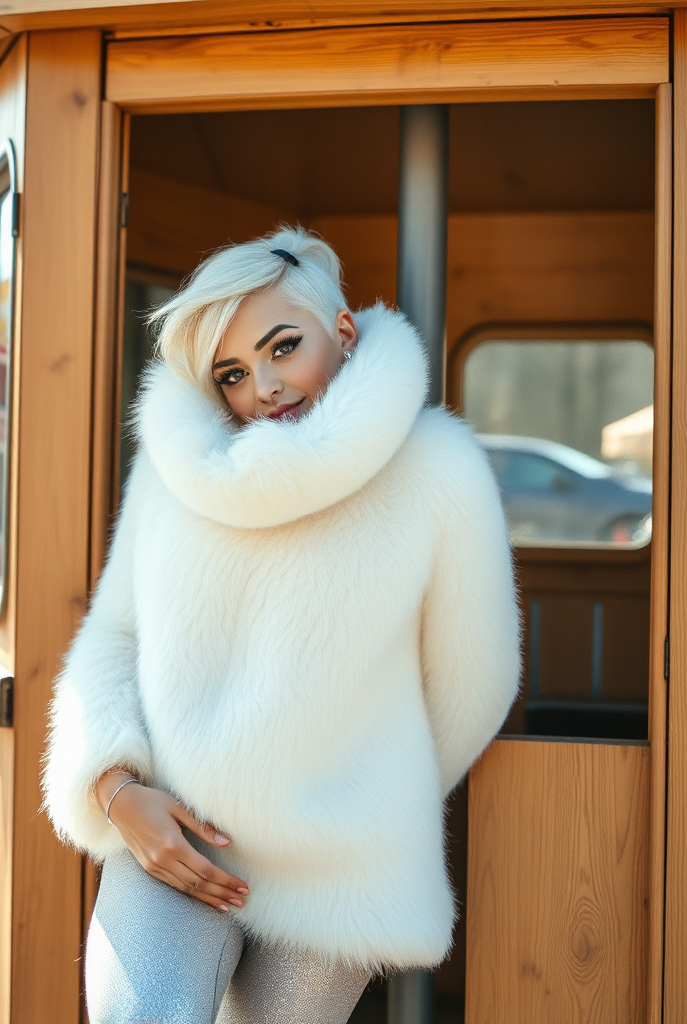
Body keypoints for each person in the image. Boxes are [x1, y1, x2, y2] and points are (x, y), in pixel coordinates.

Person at [42, 226, 521, 1024]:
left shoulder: (439, 467)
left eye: (282, 347)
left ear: (341, 331)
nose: (263, 385)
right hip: (178, 830)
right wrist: (116, 787)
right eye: (233, 373)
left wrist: (361, 797)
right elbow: (113, 638)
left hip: (344, 864)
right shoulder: (176, 470)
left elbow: (474, 683)